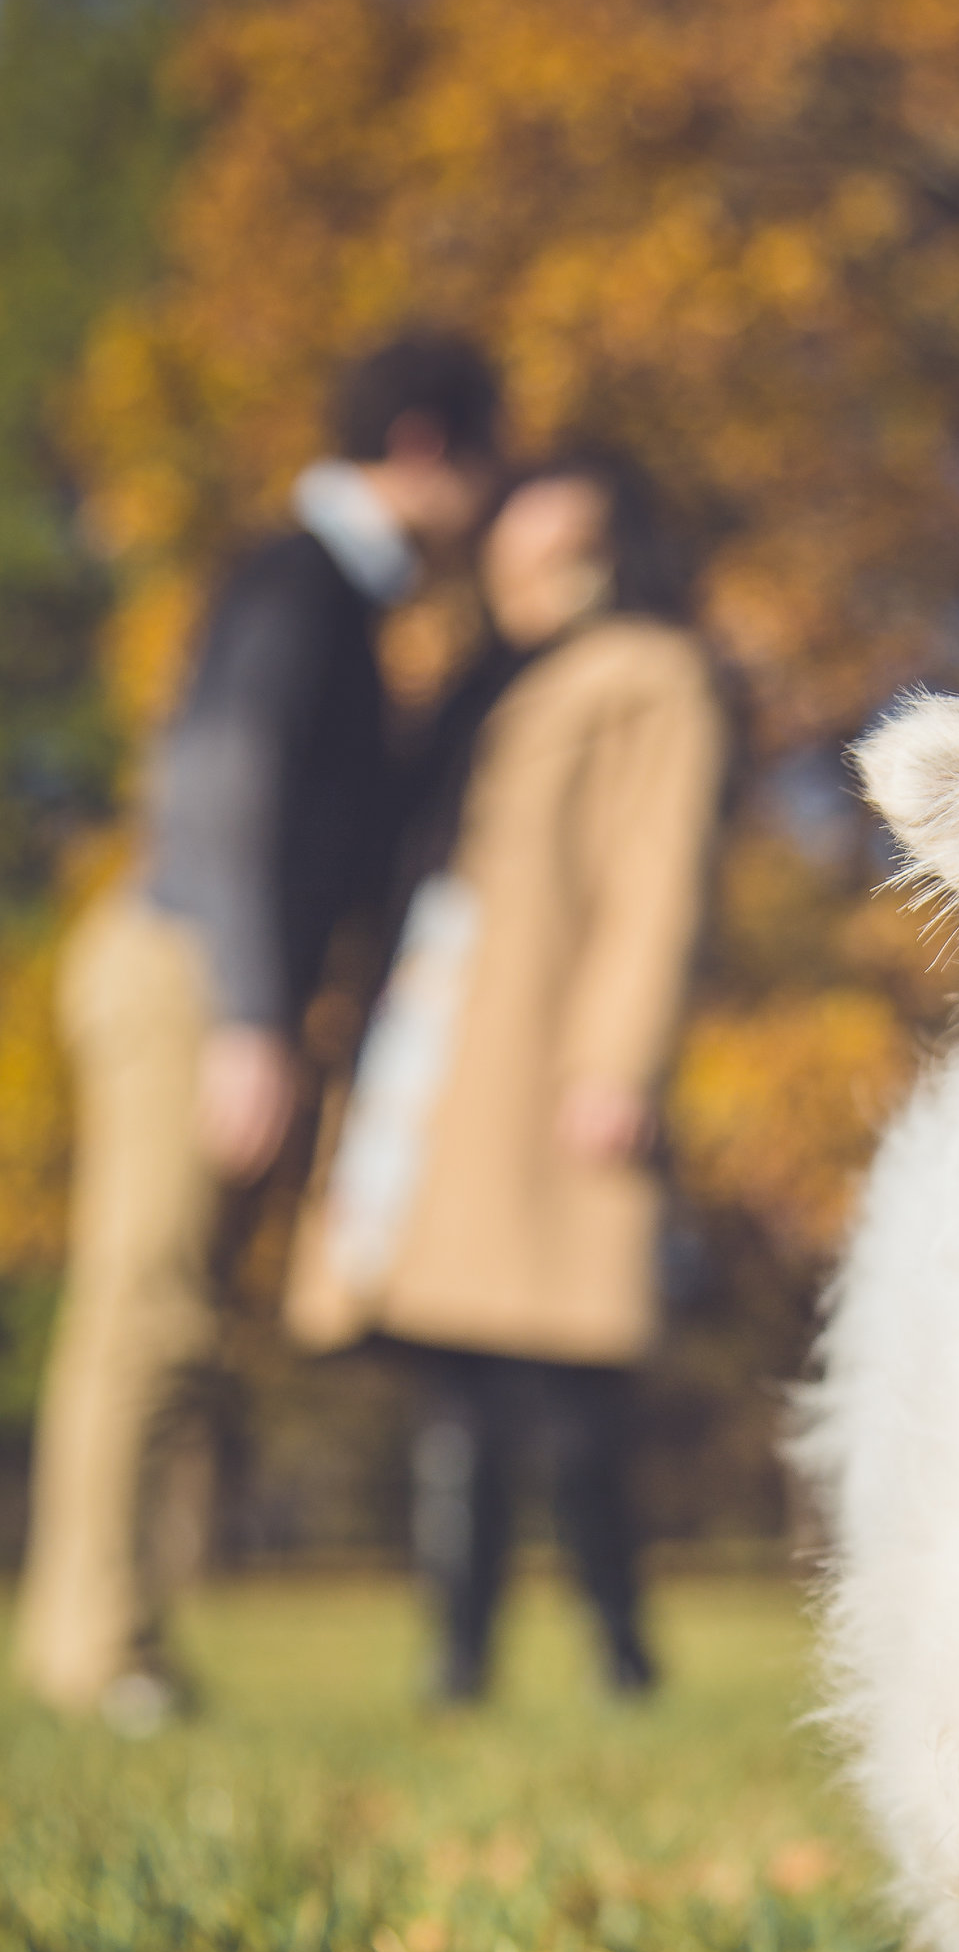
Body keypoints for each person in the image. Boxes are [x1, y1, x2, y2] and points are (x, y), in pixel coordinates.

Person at [15, 331, 502, 1729]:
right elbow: (221, 785)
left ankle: (111, 1639)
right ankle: (96, 1650)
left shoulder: (335, 598)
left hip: (196, 973)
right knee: (143, 1310)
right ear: (422, 448)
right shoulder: (299, 581)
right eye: (483, 463)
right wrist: (247, 1017)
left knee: (166, 1317)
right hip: (187, 971)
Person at [287, 447, 728, 1702]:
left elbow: (657, 880)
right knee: (457, 1370)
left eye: (568, 545)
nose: (542, 571)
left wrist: (616, 1059)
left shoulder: (653, 672)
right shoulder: (477, 679)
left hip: (547, 1049)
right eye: (522, 548)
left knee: (571, 1366)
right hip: (444, 1044)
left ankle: (621, 1653)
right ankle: (460, 1658)